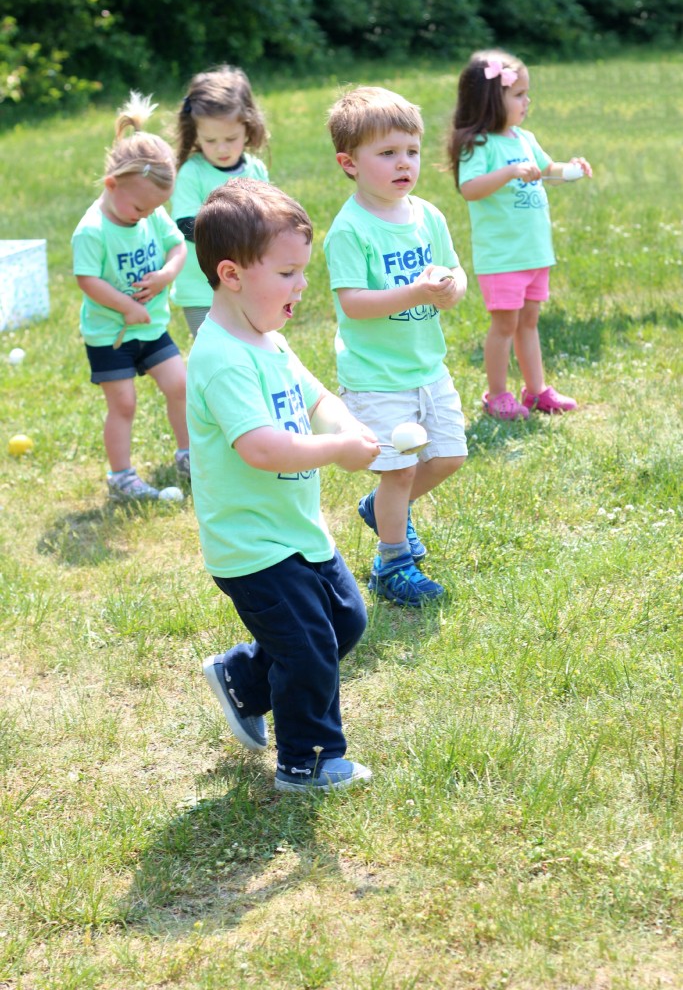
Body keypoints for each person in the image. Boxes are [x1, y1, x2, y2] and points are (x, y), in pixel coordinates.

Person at [187, 178, 379, 792]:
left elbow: (315, 396)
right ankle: (310, 760)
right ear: (232, 274)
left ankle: (244, 679)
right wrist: (337, 450)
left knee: (344, 624)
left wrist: (349, 427)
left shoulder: (267, 339)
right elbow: (262, 448)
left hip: (296, 531)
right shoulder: (220, 357)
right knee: (307, 649)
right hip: (252, 545)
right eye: (289, 273)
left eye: (304, 271)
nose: (302, 286)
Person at [324, 85, 468, 608]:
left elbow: (455, 271)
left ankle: (382, 506)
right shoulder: (349, 229)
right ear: (350, 163)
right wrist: (415, 291)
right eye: (387, 153)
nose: (403, 163)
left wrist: (453, 286)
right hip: (375, 374)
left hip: (428, 367)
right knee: (400, 468)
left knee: (449, 456)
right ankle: (392, 563)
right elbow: (353, 303)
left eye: (410, 150)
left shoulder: (428, 215)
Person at [447, 49, 592, 420]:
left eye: (527, 94)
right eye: (518, 94)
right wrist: (510, 172)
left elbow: (548, 171)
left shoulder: (523, 138)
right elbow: (470, 188)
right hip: (502, 257)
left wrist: (571, 169)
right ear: (490, 100)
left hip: (533, 253)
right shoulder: (479, 145)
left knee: (529, 323)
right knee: (504, 325)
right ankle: (497, 395)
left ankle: (536, 390)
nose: (527, 101)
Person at [71, 92, 190, 501]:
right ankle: (121, 478)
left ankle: (189, 454)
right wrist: (127, 306)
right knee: (123, 404)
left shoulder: (151, 212)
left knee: (181, 385)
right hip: (110, 334)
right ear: (111, 184)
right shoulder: (93, 230)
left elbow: (178, 247)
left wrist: (166, 276)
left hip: (152, 326)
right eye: (139, 208)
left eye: (153, 209)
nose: (146, 215)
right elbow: (88, 281)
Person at [171, 65, 269, 337]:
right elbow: (186, 223)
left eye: (231, 138)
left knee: (250, 344)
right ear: (196, 134)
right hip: (202, 288)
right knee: (213, 350)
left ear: (248, 128)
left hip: (249, 283)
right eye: (210, 140)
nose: (222, 148)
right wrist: (233, 238)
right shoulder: (193, 172)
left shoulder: (256, 169)